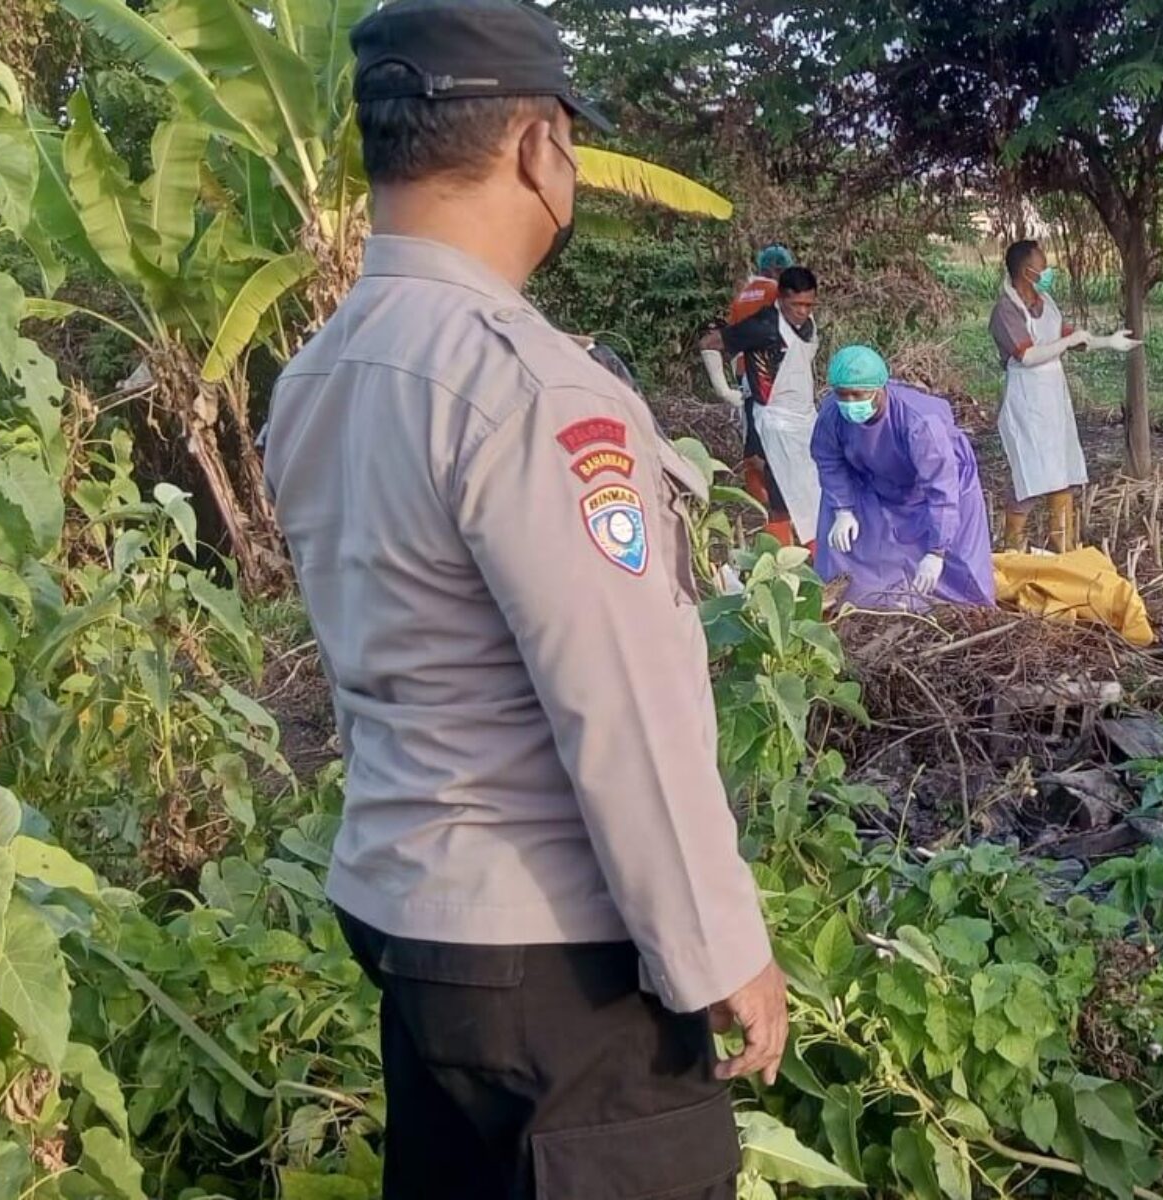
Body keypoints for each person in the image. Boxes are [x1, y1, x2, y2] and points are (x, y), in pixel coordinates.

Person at [261, 3, 785, 1197]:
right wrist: (716, 943)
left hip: (416, 937)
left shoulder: (318, 374)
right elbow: (621, 698)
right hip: (559, 968)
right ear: (539, 148)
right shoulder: (529, 386)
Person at [811, 345, 997, 610]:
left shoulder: (919, 422)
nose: (850, 404)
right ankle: (866, 601)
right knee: (854, 538)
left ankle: (964, 608)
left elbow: (941, 490)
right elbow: (829, 461)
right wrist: (843, 508)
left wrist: (936, 552)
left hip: (942, 480)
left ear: (879, 389)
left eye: (858, 394)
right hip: (876, 475)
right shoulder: (832, 413)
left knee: (958, 561)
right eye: (843, 395)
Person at [989, 239, 1140, 551]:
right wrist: (1067, 345)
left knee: (1061, 473)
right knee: (1029, 478)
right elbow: (1026, 355)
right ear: (1025, 271)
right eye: (1042, 267)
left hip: (1053, 400)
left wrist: (1107, 342)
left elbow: (1069, 337)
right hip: (1026, 401)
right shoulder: (1005, 311)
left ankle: (1064, 552)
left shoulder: (1046, 301)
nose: (1047, 273)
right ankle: (1013, 554)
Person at [700, 265, 822, 549]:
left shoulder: (807, 325)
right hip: (774, 424)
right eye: (796, 305)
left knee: (812, 492)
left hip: (804, 420)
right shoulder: (763, 326)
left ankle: (819, 559)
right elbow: (710, 342)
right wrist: (723, 389)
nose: (802, 311)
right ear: (780, 299)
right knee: (780, 495)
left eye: (808, 304)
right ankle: (782, 560)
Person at [698, 243, 792, 405]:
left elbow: (730, 340)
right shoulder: (778, 292)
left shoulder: (741, 297)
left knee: (751, 423)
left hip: (745, 372)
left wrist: (724, 391)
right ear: (778, 269)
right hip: (771, 371)